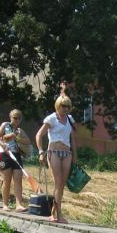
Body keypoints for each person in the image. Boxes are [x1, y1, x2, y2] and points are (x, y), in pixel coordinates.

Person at [35, 94, 77, 223]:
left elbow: (73, 139)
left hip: (67, 153)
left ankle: (53, 213)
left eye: (68, 106)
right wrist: (41, 151)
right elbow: (39, 135)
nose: (66, 108)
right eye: (63, 106)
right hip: (53, 152)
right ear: (58, 105)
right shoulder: (51, 118)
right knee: (58, 182)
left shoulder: (70, 119)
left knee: (62, 185)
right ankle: (59, 215)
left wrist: (75, 156)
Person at [0, 109, 29, 212]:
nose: (17, 120)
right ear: (10, 117)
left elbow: (28, 141)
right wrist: (3, 144)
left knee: (18, 178)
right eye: (15, 118)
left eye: (19, 118)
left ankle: (19, 205)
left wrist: (17, 138)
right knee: (7, 179)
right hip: (4, 154)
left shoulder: (19, 130)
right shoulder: (5, 125)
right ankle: (5, 204)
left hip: (16, 154)